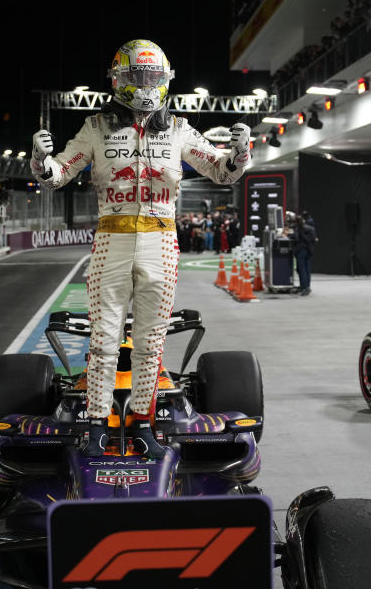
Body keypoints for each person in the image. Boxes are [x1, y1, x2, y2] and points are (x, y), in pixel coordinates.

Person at [28, 39, 249, 458]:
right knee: (104, 340)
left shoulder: (180, 128)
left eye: (152, 76)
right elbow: (61, 170)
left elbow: (221, 172)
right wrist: (40, 161)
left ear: (165, 80)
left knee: (151, 343)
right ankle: (95, 424)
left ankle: (144, 423)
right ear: (118, 80)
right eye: (137, 76)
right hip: (111, 238)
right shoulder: (96, 127)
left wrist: (240, 153)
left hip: (162, 241)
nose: (146, 84)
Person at [291, 214, 317, 295]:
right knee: (306, 269)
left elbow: (295, 237)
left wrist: (289, 234)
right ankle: (306, 286)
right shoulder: (309, 228)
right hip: (309, 250)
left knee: (301, 269)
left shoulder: (299, 229)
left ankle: (304, 287)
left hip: (301, 251)